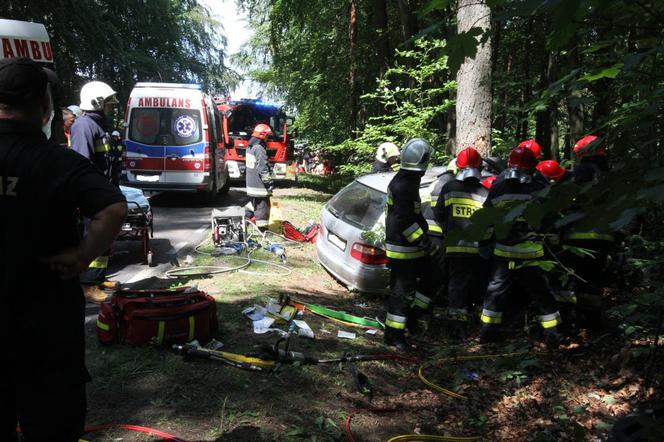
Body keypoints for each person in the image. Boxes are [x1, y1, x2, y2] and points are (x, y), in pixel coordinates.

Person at [0, 58, 127, 442]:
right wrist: (81, 255)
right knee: (52, 426)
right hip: (45, 327)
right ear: (44, 107)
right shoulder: (56, 160)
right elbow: (112, 209)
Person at [480, 146, 562, 348]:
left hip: (503, 253)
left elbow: (486, 219)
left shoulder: (498, 188)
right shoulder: (540, 189)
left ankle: (488, 334)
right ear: (533, 167)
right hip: (532, 254)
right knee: (542, 294)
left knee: (495, 293)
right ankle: (552, 334)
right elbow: (550, 220)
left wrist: (485, 244)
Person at [383, 138, 441, 351]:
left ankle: (414, 318)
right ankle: (394, 335)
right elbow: (403, 220)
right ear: (422, 161)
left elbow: (413, 214)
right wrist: (423, 241)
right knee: (401, 292)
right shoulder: (404, 184)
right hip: (402, 248)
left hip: (410, 246)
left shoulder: (409, 179)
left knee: (431, 277)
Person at [70, 80, 119, 302]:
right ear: (97, 102)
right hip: (94, 196)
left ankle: (99, 277)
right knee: (94, 238)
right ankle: (87, 286)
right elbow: (82, 163)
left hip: (105, 193)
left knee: (105, 238)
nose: (112, 106)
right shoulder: (84, 126)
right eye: (109, 103)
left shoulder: (99, 125)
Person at [434, 148, 490, 338]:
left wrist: (449, 230)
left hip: (455, 247)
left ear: (458, 166)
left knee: (456, 284)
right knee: (477, 284)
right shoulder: (484, 192)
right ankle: (477, 322)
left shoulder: (449, 188)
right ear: (480, 167)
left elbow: (439, 215)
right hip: (479, 250)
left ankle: (456, 327)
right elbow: (490, 222)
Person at [246, 123, 273, 231]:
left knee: (252, 206)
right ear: (262, 135)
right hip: (259, 186)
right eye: (267, 136)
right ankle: (263, 231)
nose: (268, 138)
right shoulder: (259, 148)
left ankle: (242, 222)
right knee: (263, 208)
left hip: (251, 184)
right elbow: (262, 168)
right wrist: (268, 183)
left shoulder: (250, 147)